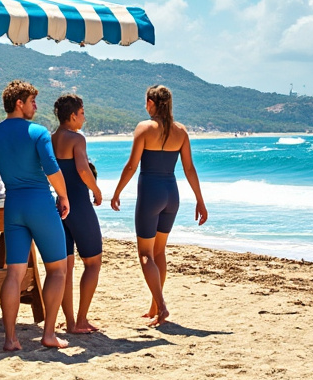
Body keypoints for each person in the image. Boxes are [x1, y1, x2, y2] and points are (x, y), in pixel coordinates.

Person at [0, 80, 72, 351]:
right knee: (58, 270)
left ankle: (10, 338)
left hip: (13, 206)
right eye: (32, 102)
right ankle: (48, 334)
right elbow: (51, 169)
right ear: (19, 103)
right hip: (39, 203)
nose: (35, 107)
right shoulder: (38, 132)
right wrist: (63, 196)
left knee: (13, 274)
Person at [111, 85, 208, 327]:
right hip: (171, 195)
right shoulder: (181, 132)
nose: (145, 105)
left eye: (146, 101)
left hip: (150, 194)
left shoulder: (144, 128)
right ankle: (155, 305)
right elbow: (189, 169)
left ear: (152, 103)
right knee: (159, 252)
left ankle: (161, 306)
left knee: (145, 253)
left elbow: (132, 166)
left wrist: (117, 191)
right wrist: (200, 200)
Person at [52, 93, 104, 334]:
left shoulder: (51, 139)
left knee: (66, 267)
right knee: (93, 262)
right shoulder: (77, 139)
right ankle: (81, 320)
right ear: (72, 116)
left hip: (59, 206)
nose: (84, 118)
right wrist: (97, 190)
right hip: (79, 206)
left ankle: (70, 322)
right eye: (82, 114)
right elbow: (83, 170)